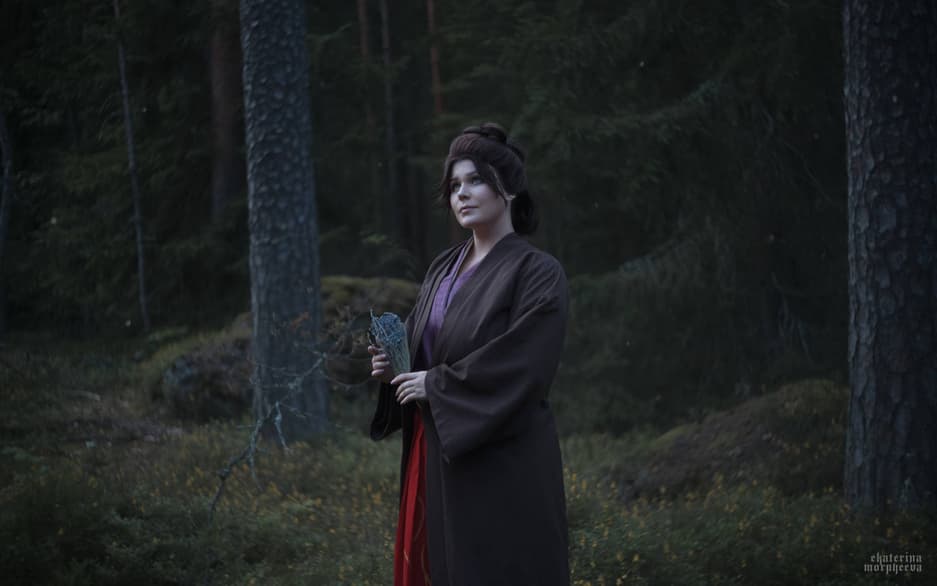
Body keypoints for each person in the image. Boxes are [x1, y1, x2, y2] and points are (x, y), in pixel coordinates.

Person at [368, 122, 570, 586]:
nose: (461, 193)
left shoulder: (538, 272)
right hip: (435, 452)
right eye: (454, 184)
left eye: (476, 180)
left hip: (503, 463)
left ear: (509, 188)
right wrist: (395, 371)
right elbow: (424, 350)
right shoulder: (444, 267)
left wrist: (435, 384)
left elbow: (525, 364)